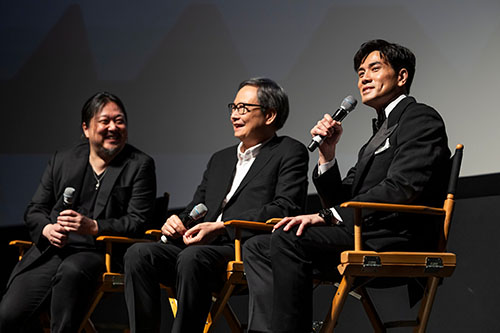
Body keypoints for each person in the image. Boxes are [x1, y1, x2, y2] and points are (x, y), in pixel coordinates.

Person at [243, 39, 451, 332]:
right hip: (363, 231)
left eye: (374, 68)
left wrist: (327, 216)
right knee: (257, 245)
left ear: (402, 77)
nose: (363, 77)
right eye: (360, 72)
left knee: (289, 239)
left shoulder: (419, 118)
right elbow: (344, 195)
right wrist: (327, 154)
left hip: (394, 237)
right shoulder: (380, 132)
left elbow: (404, 186)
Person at [124, 77, 309, 332]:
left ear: (270, 115)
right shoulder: (220, 159)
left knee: (192, 258)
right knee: (139, 254)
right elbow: (197, 205)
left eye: (244, 108)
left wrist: (223, 228)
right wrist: (178, 221)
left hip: (241, 248)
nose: (235, 115)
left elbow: (285, 208)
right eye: (233, 107)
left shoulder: (289, 151)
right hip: (199, 245)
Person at [0, 92, 157, 332]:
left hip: (99, 252)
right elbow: (35, 209)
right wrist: (47, 228)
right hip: (53, 251)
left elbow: (138, 221)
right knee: (9, 315)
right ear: (86, 128)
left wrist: (94, 226)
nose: (113, 127)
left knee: (72, 273)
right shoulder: (63, 159)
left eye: (120, 120)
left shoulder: (139, 164)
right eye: (105, 121)